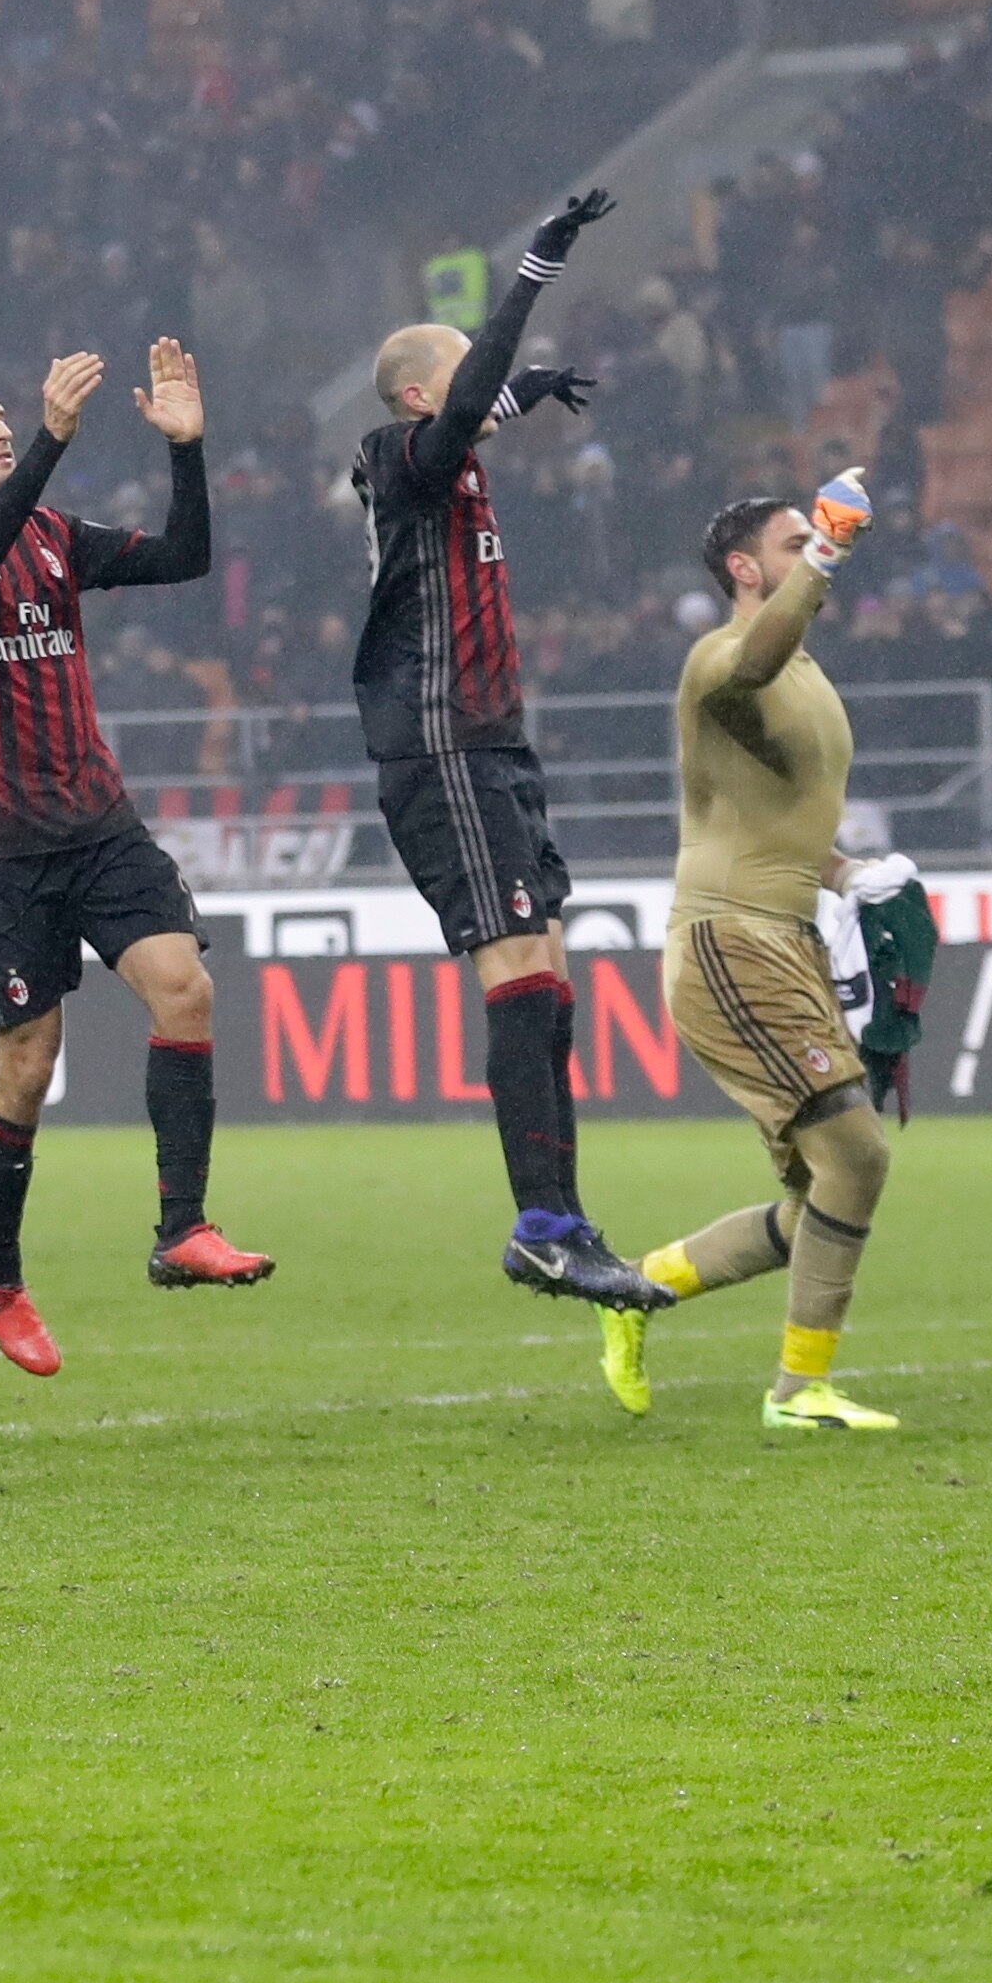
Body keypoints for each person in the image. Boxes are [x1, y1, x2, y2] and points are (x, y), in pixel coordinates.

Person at [0, 339, 266, 1382]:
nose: (1, 428)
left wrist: (186, 453)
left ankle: (181, 1227)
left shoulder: (53, 532)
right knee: (29, 1065)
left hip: (99, 827)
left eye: (7, 416)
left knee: (183, 989)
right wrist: (55, 439)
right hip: (1, 850)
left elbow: (182, 555)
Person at [350, 190, 666, 1311]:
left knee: (549, 985)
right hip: (441, 745)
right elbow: (472, 390)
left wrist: (531, 388)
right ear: (426, 396)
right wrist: (532, 273)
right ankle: (541, 1228)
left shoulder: (454, 461)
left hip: (491, 745)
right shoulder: (399, 456)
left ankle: (563, 1222)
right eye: (469, 376)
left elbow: (489, 394)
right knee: (519, 974)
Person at [600, 478, 902, 1430]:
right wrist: (825, 562)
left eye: (817, 540)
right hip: (730, 937)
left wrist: (846, 875)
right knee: (855, 1153)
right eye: (794, 541)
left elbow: (772, 817)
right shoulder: (721, 657)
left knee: (823, 1187)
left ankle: (639, 1286)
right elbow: (754, 660)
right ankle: (797, 1390)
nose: (815, 549)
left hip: (783, 934)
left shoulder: (807, 672)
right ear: (745, 569)